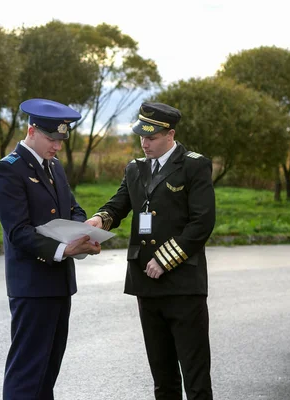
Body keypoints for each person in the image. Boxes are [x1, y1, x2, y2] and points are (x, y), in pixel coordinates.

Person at [85, 102, 216, 400]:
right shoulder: (136, 168)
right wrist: (98, 220)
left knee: (195, 378)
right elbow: (119, 204)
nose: (144, 143)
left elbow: (202, 223)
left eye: (152, 137)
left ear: (170, 135)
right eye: (141, 137)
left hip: (183, 286)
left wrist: (165, 259)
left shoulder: (194, 165)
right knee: (162, 376)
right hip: (147, 284)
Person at [0, 98, 102, 400]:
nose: (57, 146)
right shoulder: (8, 170)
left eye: (60, 140)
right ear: (32, 131)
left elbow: (73, 209)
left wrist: (84, 233)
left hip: (58, 284)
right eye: (51, 139)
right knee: (27, 371)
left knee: (47, 371)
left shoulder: (54, 168)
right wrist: (61, 250)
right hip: (32, 285)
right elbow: (18, 232)